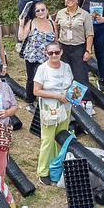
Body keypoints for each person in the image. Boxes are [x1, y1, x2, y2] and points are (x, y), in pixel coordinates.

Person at [33, 42, 73, 185]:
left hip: (65, 108)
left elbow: (71, 85)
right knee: (47, 140)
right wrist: (57, 96)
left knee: (61, 138)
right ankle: (43, 171)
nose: (54, 55)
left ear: (61, 52)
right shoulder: (42, 69)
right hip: (50, 109)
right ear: (46, 54)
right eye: (51, 53)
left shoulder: (66, 67)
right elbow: (36, 91)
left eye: (56, 52)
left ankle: (56, 166)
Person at [17, 1, 56, 112]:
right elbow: (21, 37)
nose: (40, 12)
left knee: (47, 79)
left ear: (47, 10)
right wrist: (21, 23)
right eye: (37, 10)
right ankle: (30, 101)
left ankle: (44, 100)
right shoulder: (32, 22)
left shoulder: (52, 23)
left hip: (47, 58)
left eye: (42, 10)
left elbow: (55, 40)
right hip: (33, 56)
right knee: (32, 79)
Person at [55, 0, 93, 97]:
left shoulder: (85, 15)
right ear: (64, 0)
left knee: (80, 76)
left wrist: (88, 50)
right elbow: (56, 29)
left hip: (78, 48)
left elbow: (90, 34)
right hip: (64, 48)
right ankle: (67, 100)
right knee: (65, 74)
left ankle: (81, 102)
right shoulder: (60, 13)